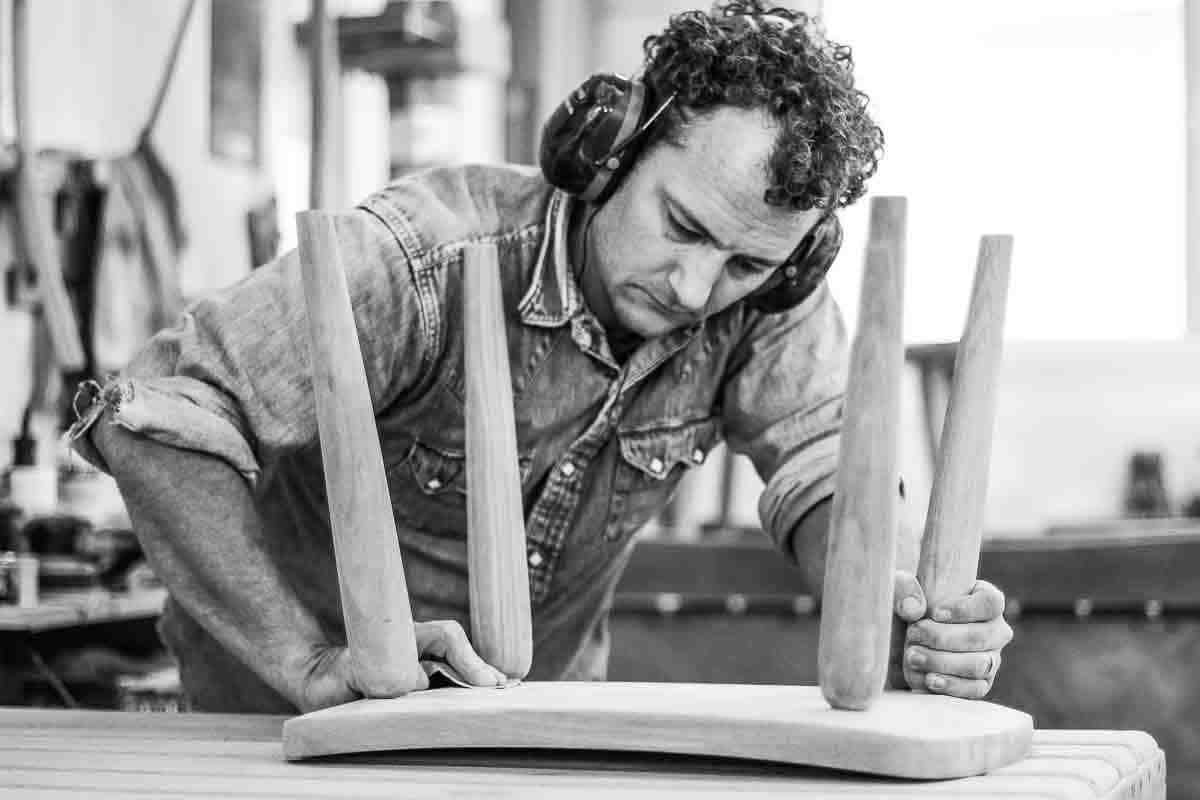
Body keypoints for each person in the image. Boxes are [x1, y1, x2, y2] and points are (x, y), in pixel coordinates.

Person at [69, 0, 1012, 714]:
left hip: (532, 732)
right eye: (680, 224)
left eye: (745, 262)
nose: (694, 289)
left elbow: (827, 473)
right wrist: (305, 660)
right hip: (285, 733)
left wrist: (898, 600)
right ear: (609, 152)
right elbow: (154, 416)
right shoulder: (424, 260)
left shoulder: (763, 299)